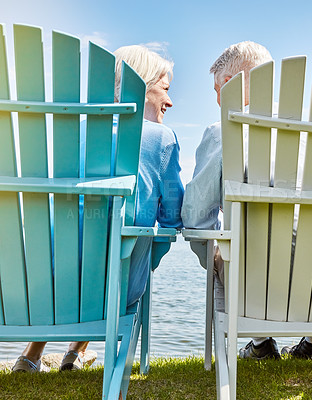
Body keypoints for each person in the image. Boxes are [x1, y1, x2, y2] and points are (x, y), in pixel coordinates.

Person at [12, 45, 184, 372]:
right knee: (118, 255)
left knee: (80, 242)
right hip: (115, 290)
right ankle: (75, 354)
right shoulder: (161, 139)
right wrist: (149, 259)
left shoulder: (73, 135)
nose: (170, 101)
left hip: (44, 285)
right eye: (165, 87)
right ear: (141, 84)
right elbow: (173, 219)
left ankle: (34, 354)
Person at [181, 41, 312, 361]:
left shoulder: (222, 130)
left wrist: (209, 256)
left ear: (228, 84)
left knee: (219, 249)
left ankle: (261, 342)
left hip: (256, 285)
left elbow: (196, 216)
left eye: (215, 90)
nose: (216, 100)